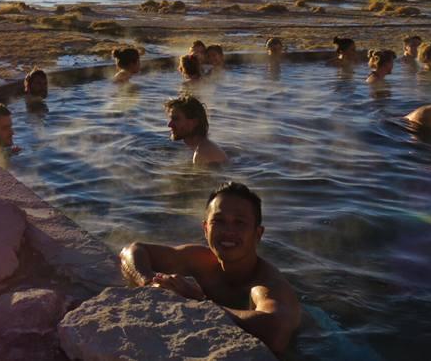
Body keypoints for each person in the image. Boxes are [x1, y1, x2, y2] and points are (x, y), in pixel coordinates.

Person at [119, 182, 301, 354]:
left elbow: (276, 334)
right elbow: (133, 250)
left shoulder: (266, 285)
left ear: (258, 233)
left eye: (239, 222)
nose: (228, 231)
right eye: (219, 221)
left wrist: (199, 302)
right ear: (205, 229)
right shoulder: (199, 260)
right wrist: (149, 281)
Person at [165, 95, 227, 166]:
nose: (169, 125)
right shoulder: (205, 147)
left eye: (176, 119)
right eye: (171, 119)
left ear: (194, 122)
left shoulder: (201, 154)